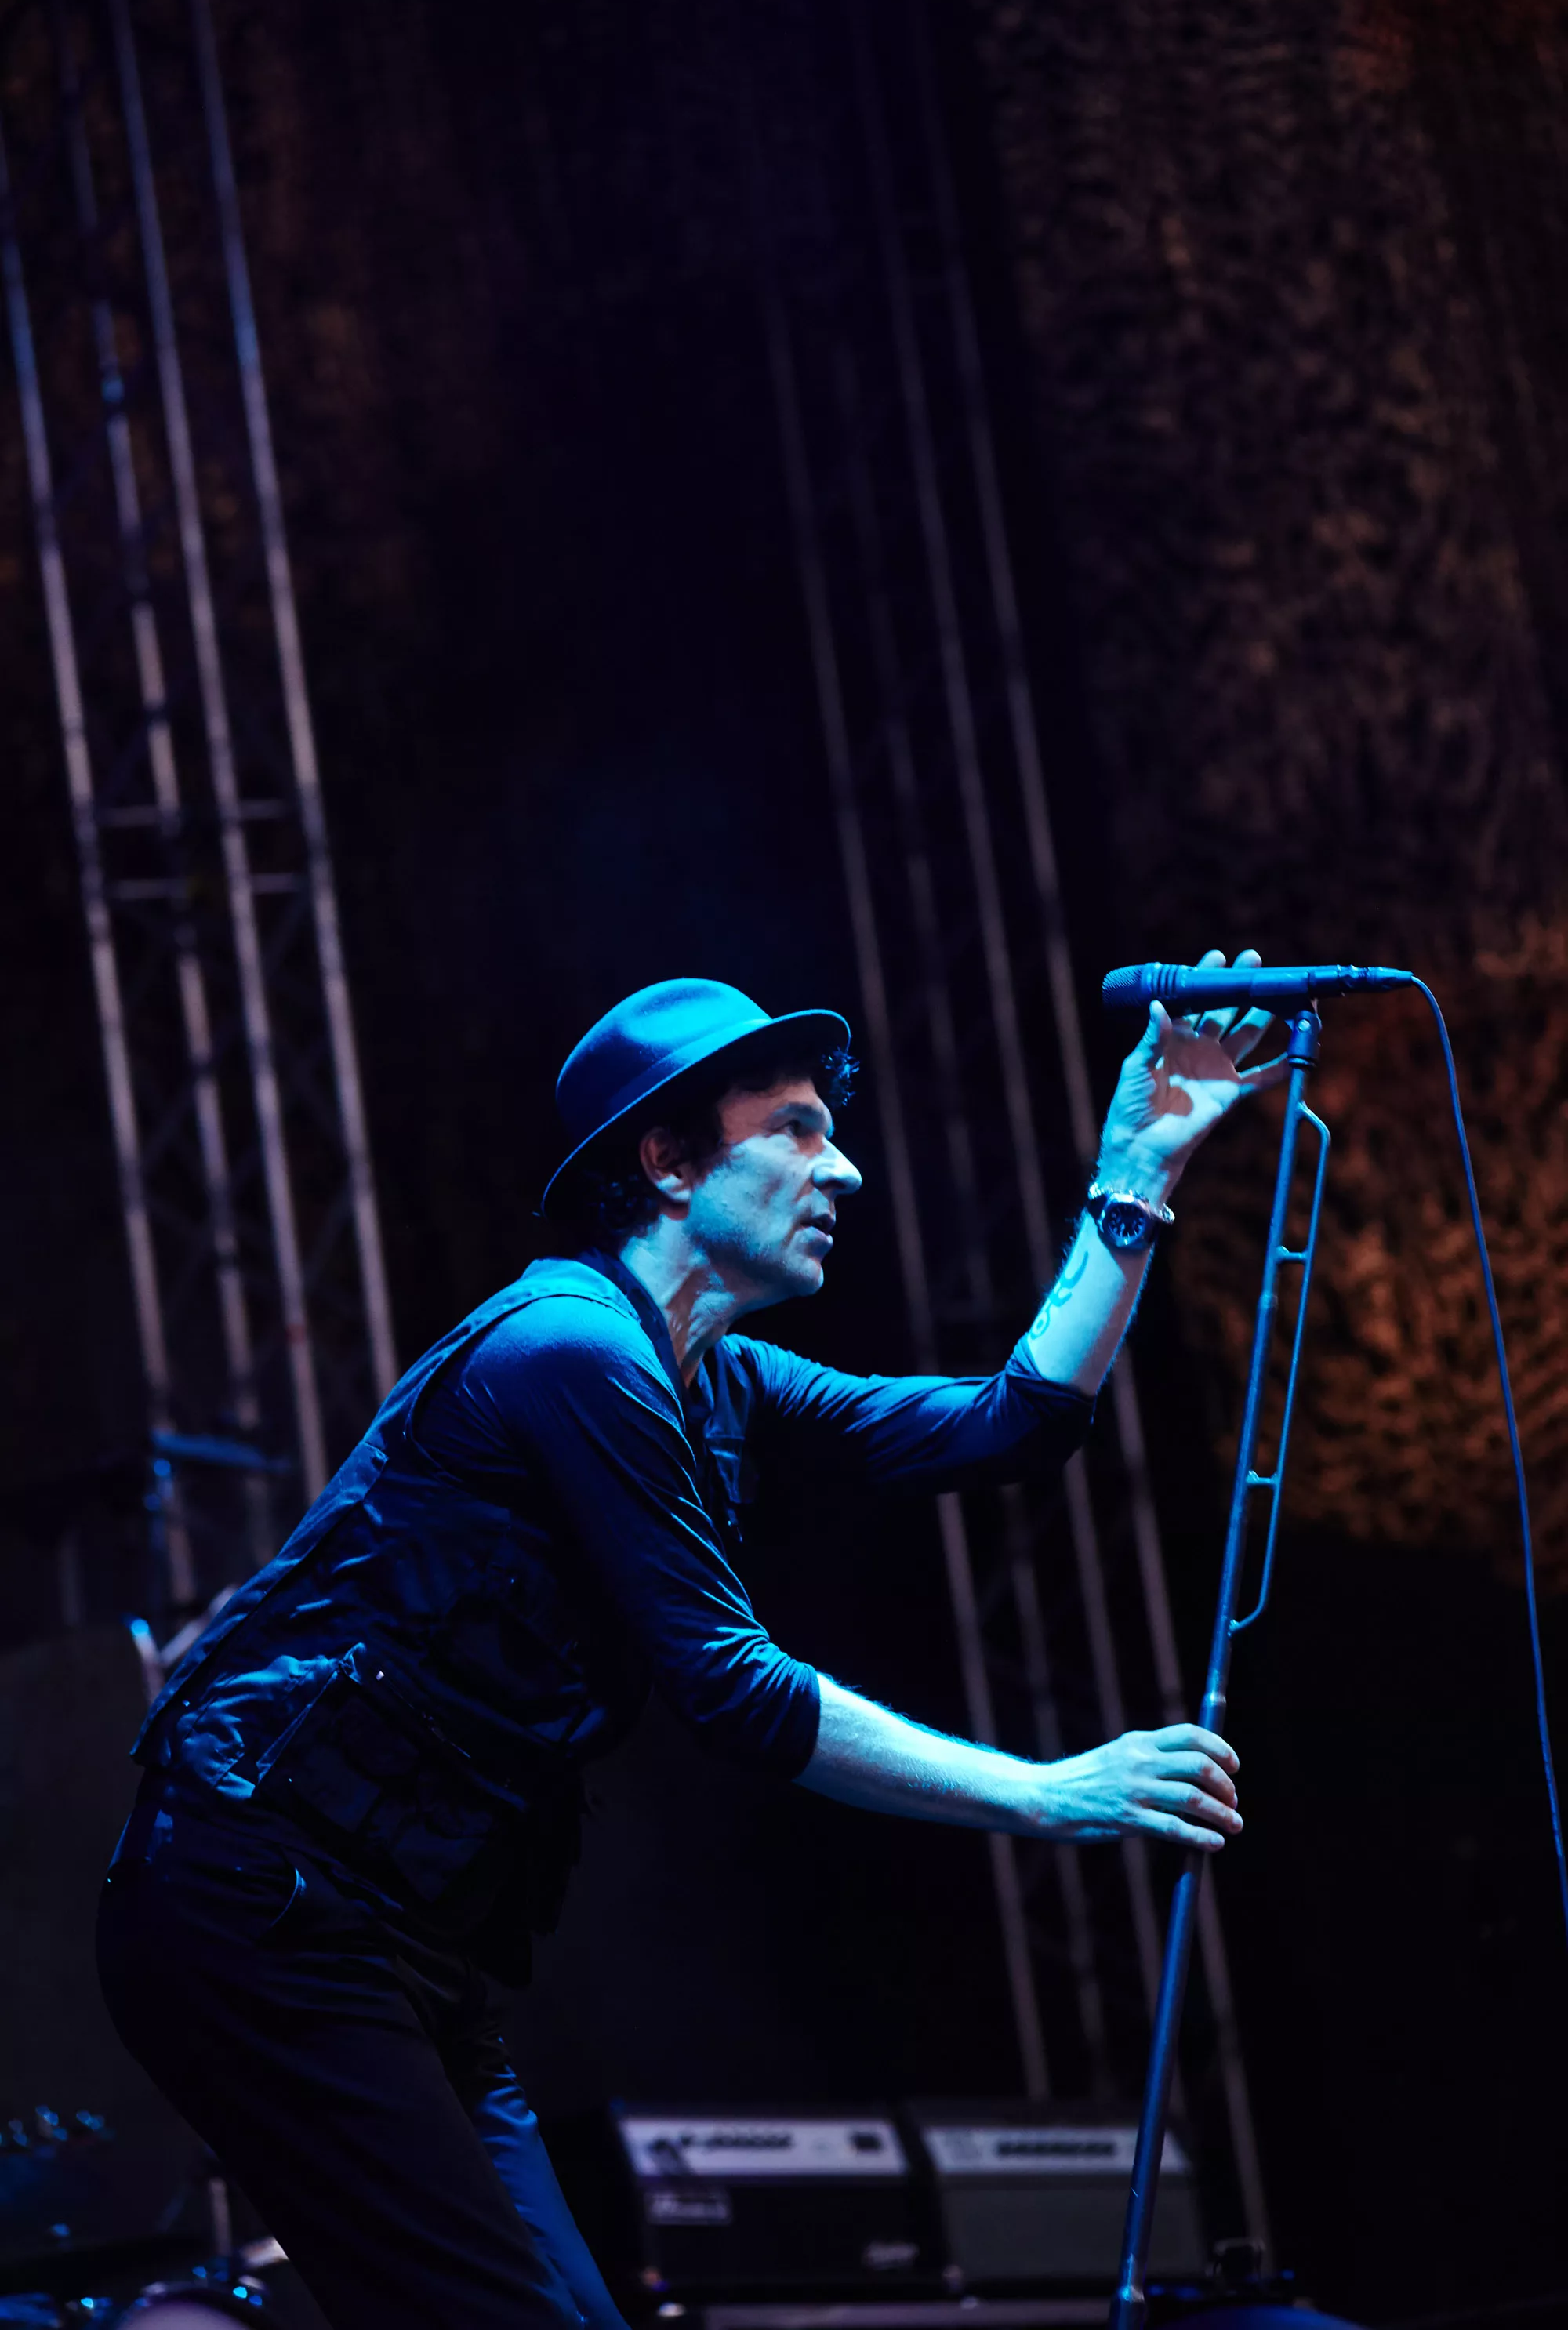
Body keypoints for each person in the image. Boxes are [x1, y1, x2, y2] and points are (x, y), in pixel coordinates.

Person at [98, 955, 1286, 2330]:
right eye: (796, 1130)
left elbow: (1006, 1424)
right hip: (259, 1907)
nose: (843, 1170)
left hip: (409, 1942)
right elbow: (736, 1690)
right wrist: (1046, 1793)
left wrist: (1136, 1175)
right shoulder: (568, 1350)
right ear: (666, 1163)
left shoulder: (716, 1374)